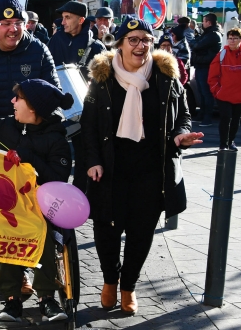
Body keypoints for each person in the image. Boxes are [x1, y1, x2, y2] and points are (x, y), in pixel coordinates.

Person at [83, 18, 203, 314]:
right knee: (107, 230)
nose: (140, 46)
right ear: (119, 45)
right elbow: (87, 126)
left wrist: (180, 136)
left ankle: (128, 286)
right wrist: (93, 161)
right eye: (133, 40)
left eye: (146, 40)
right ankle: (110, 281)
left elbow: (183, 116)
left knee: (141, 232)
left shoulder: (166, 77)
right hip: (111, 169)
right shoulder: (102, 79)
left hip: (151, 170)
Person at [0, 72, 74, 323]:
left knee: (41, 232)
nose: (12, 102)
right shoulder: (4, 126)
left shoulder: (57, 140)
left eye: (17, 98)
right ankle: (11, 299)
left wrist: (26, 159)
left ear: (33, 108)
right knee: (4, 229)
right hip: (4, 205)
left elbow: (57, 180)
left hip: (39, 206)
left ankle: (46, 298)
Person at [47, 1, 105, 70]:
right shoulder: (55, 39)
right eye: (63, 17)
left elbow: (103, 77)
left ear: (81, 20)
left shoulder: (96, 46)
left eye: (67, 17)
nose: (63, 22)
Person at [189, 13, 223, 126]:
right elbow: (194, 43)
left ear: (208, 22)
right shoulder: (207, 34)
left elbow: (197, 45)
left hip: (207, 67)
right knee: (201, 92)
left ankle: (207, 117)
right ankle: (202, 115)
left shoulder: (213, 35)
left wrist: (196, 48)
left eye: (203, 21)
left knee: (206, 93)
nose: (202, 23)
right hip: (200, 66)